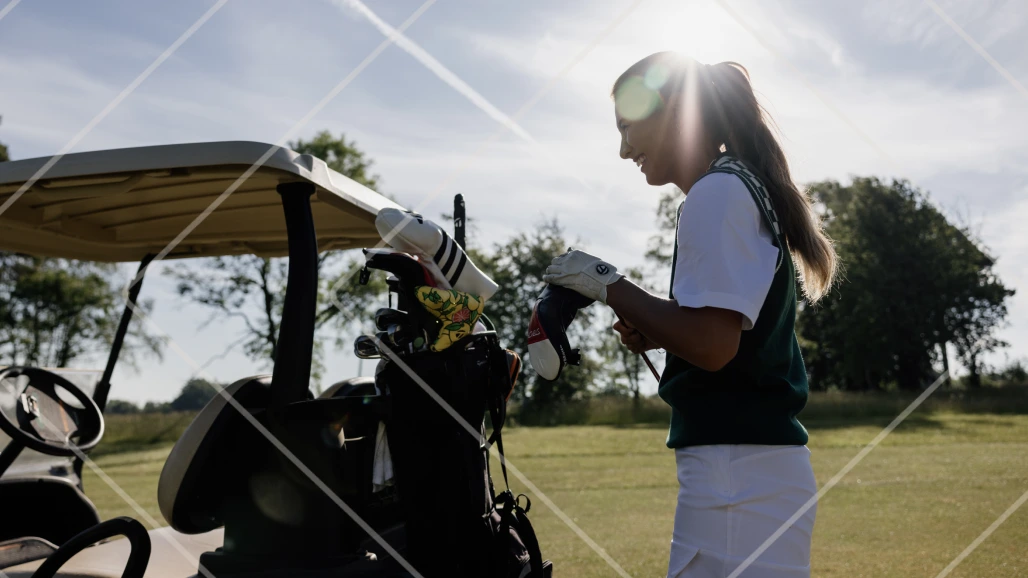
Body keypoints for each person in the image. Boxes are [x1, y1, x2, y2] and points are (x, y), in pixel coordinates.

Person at [542, 51, 838, 578]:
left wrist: (608, 285)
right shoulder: (732, 186)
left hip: (738, 475)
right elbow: (717, 334)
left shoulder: (718, 192)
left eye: (628, 127)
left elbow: (712, 346)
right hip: (748, 473)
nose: (622, 148)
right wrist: (660, 327)